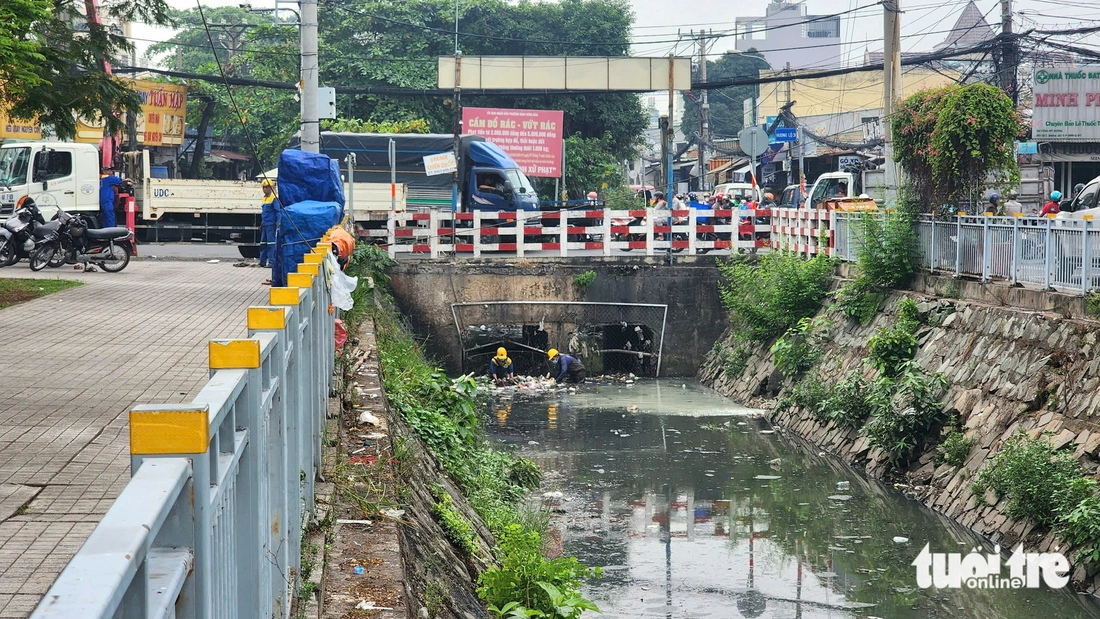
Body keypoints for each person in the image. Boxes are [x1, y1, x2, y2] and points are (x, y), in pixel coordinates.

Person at [259, 179, 277, 269]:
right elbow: (264, 212)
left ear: (271, 188)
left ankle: (271, 262)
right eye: (263, 187)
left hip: (271, 224)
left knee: (271, 243)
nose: (264, 189)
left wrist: (278, 222)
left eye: (266, 187)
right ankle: (262, 262)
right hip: (265, 224)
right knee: (263, 243)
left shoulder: (273, 198)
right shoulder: (264, 198)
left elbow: (277, 211)